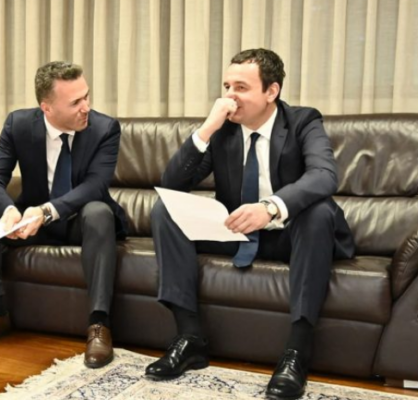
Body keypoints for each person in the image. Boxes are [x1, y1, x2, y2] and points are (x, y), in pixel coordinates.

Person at [144, 49, 355, 399]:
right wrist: (207, 129)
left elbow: (324, 175)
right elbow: (172, 185)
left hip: (291, 234)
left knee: (319, 212)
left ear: (271, 91)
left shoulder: (303, 121)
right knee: (165, 210)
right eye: (227, 86)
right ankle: (190, 338)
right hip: (238, 232)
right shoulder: (224, 129)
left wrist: (270, 208)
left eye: (241, 87)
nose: (230, 96)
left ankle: (296, 354)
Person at [0, 61, 128, 369]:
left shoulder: (104, 129)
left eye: (86, 96)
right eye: (75, 102)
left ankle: (99, 324)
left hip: (80, 222)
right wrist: (9, 211)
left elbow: (95, 186)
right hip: (32, 222)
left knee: (99, 212)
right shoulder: (19, 124)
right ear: (46, 108)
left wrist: (46, 212)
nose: (86, 107)